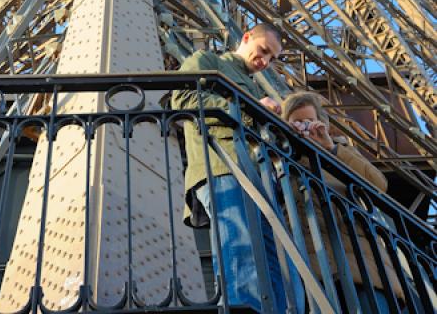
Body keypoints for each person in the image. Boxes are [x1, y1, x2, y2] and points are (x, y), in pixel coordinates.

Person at [171, 23, 290, 312]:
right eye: (263, 51)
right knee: (239, 250)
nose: (265, 62)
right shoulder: (207, 61)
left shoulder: (251, 83)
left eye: (272, 59)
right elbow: (182, 99)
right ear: (246, 37)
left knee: (269, 260)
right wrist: (246, 105)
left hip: (255, 174)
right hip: (222, 167)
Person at [281, 91, 405, 314]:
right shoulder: (279, 154)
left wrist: (331, 149)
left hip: (363, 264)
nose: (304, 126)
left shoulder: (341, 149)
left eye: (309, 121)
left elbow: (378, 185)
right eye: (297, 122)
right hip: (315, 267)